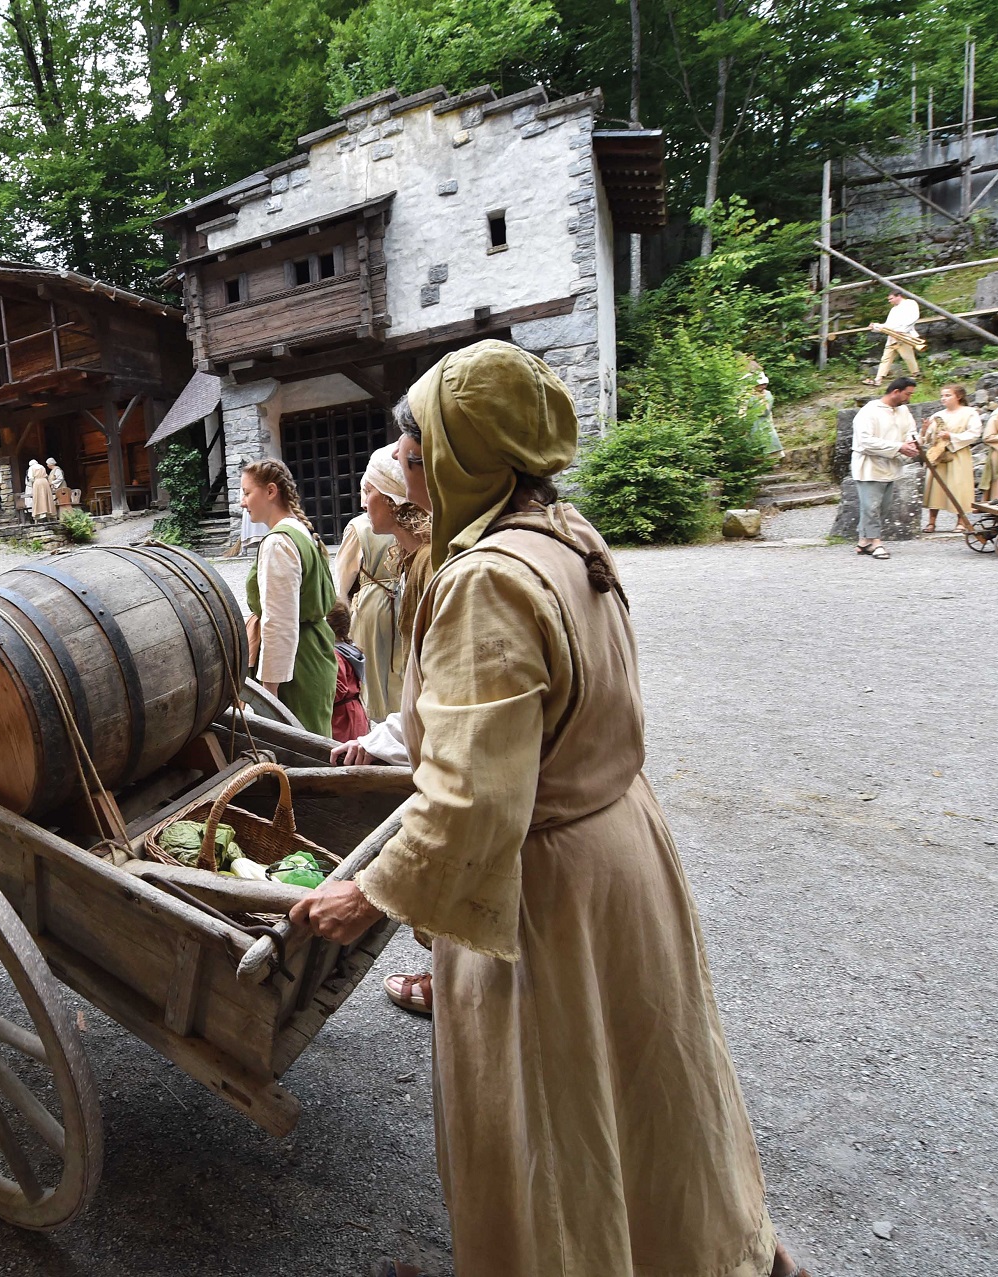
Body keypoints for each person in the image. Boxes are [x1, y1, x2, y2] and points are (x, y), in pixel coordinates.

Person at [289, 340, 802, 1277]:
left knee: (549, 1113)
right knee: (647, 1087)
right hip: (621, 856)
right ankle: (697, 1254)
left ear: (464, 452)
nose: (405, 468)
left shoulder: (487, 578)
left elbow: (474, 804)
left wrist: (366, 893)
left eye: (415, 447)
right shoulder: (564, 533)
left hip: (551, 893)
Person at [241, 457, 338, 736]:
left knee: (297, 748)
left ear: (271, 491)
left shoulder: (278, 542)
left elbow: (279, 623)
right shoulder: (301, 530)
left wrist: (268, 695)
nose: (242, 502)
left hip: (295, 667)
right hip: (314, 651)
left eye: (247, 493)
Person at [332, 446, 423, 722]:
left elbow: (342, 582)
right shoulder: (411, 556)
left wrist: (341, 623)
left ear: (390, 497)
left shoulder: (424, 562)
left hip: (373, 606)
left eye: (368, 491)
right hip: (391, 600)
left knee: (375, 674)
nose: (362, 502)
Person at [849, 377, 921, 560]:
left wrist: (913, 444)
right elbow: (865, 442)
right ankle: (876, 543)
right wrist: (898, 447)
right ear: (895, 392)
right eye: (907, 394)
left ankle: (863, 541)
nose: (909, 398)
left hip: (890, 466)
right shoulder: (868, 412)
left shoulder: (903, 411)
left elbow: (910, 432)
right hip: (869, 466)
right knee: (871, 506)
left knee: (883, 507)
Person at [920, 383, 983, 531]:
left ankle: (960, 522)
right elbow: (928, 437)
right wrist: (924, 430)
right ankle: (931, 522)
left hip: (958, 454)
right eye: (942, 395)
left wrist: (952, 436)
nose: (944, 398)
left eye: (948, 395)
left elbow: (974, 433)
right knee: (935, 486)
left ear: (958, 396)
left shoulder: (969, 413)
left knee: (958, 486)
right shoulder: (938, 415)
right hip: (938, 454)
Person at [326, 601, 370, 743]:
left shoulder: (334, 654)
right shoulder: (350, 649)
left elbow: (338, 690)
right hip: (355, 713)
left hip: (343, 719)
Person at [868, 290, 923, 384]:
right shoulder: (893, 309)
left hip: (904, 336)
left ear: (899, 296)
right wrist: (876, 326)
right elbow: (888, 324)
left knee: (907, 356)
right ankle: (878, 379)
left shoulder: (910, 303)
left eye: (891, 298)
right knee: (885, 358)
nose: (890, 301)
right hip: (892, 337)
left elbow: (914, 317)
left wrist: (903, 330)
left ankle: (916, 374)